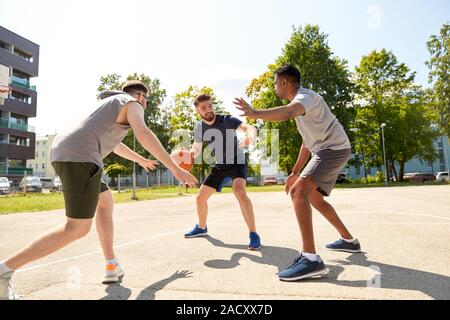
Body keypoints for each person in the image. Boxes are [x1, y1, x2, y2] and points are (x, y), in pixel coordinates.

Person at [0, 80, 197, 299]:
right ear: (141, 96)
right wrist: (175, 169)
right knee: (76, 228)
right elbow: (144, 133)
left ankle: (111, 265)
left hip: (69, 151)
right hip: (82, 156)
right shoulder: (132, 103)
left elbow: (115, 145)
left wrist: (141, 160)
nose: (145, 106)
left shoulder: (110, 105)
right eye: (147, 101)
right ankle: (5, 270)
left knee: (105, 201)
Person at [234, 65, 360, 281]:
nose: (275, 88)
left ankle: (310, 259)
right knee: (315, 197)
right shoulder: (304, 107)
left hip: (332, 149)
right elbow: (306, 143)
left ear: (284, 83)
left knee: (298, 191)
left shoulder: (304, 98)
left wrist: (255, 113)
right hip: (328, 149)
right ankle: (349, 241)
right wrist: (294, 171)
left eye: (275, 83)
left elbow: (289, 112)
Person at [184, 94, 261, 250]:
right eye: (203, 108)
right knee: (200, 198)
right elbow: (197, 148)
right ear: (198, 111)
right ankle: (202, 227)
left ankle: (253, 234)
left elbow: (248, 127)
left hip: (236, 161)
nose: (208, 110)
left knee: (239, 191)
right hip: (220, 165)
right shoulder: (200, 127)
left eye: (210, 106)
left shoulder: (226, 120)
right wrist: (189, 155)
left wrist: (250, 137)